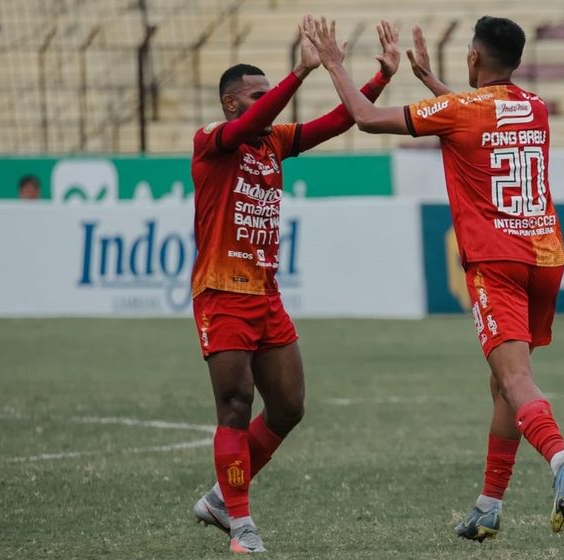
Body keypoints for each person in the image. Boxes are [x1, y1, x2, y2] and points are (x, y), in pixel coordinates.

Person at [311, 16, 564, 541]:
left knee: (514, 379)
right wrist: (431, 82)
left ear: (473, 59)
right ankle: (488, 505)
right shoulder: (535, 107)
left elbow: (367, 118)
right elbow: (476, 117)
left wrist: (333, 64)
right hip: (545, 256)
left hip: (497, 262)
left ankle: (559, 457)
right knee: (504, 384)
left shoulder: (460, 111)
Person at [188, 15, 399, 554]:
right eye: (256, 96)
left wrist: (377, 82)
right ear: (232, 102)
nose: (267, 104)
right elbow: (247, 123)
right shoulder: (214, 140)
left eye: (268, 92)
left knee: (288, 407)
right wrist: (299, 73)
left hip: (266, 294)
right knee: (235, 405)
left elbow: (332, 124)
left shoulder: (273, 143)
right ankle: (241, 525)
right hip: (222, 293)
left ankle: (218, 499)